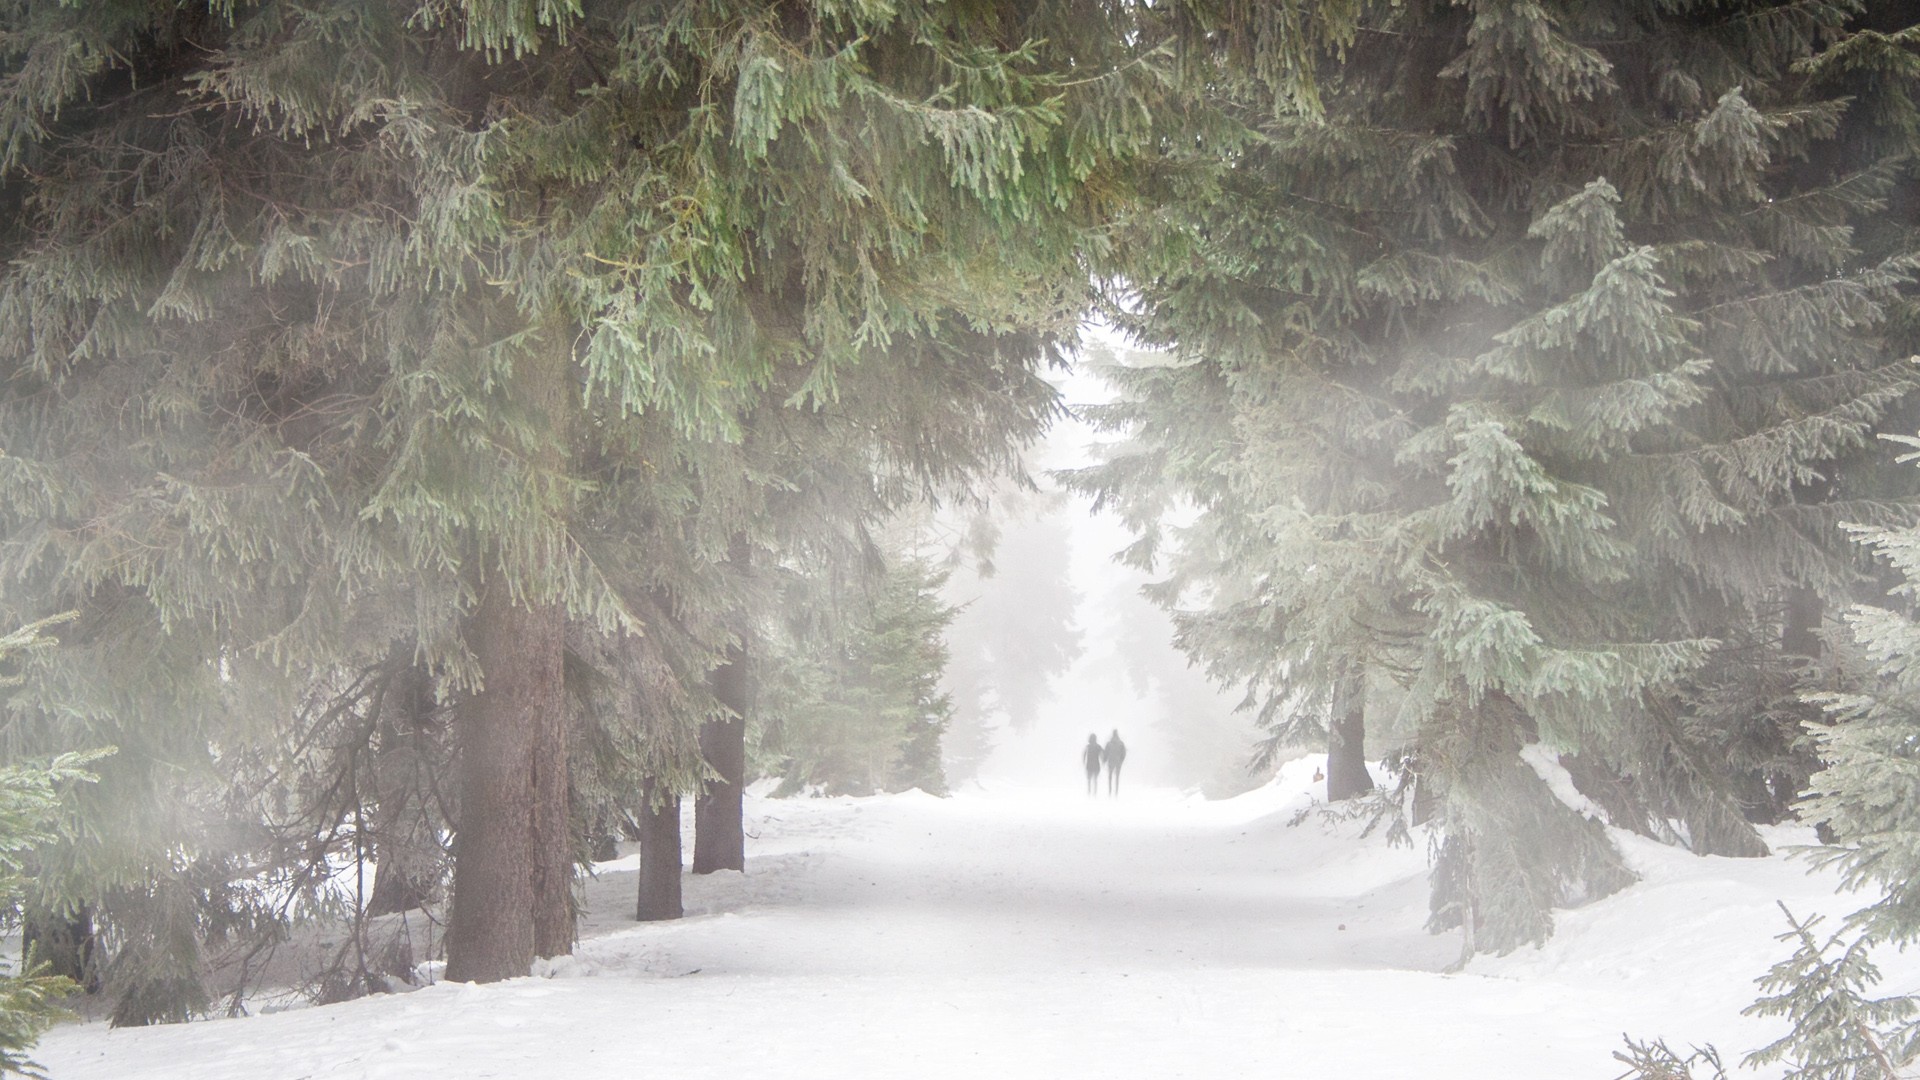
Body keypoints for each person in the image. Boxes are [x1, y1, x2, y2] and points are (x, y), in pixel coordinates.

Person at [1103, 729, 1127, 796]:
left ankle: (1110, 791)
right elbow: (1124, 753)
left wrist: (1104, 761)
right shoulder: (1121, 743)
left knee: (1110, 777)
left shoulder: (1109, 743)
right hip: (1118, 762)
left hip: (1111, 762)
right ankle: (1116, 792)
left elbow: (1106, 753)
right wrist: (1121, 760)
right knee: (1117, 777)